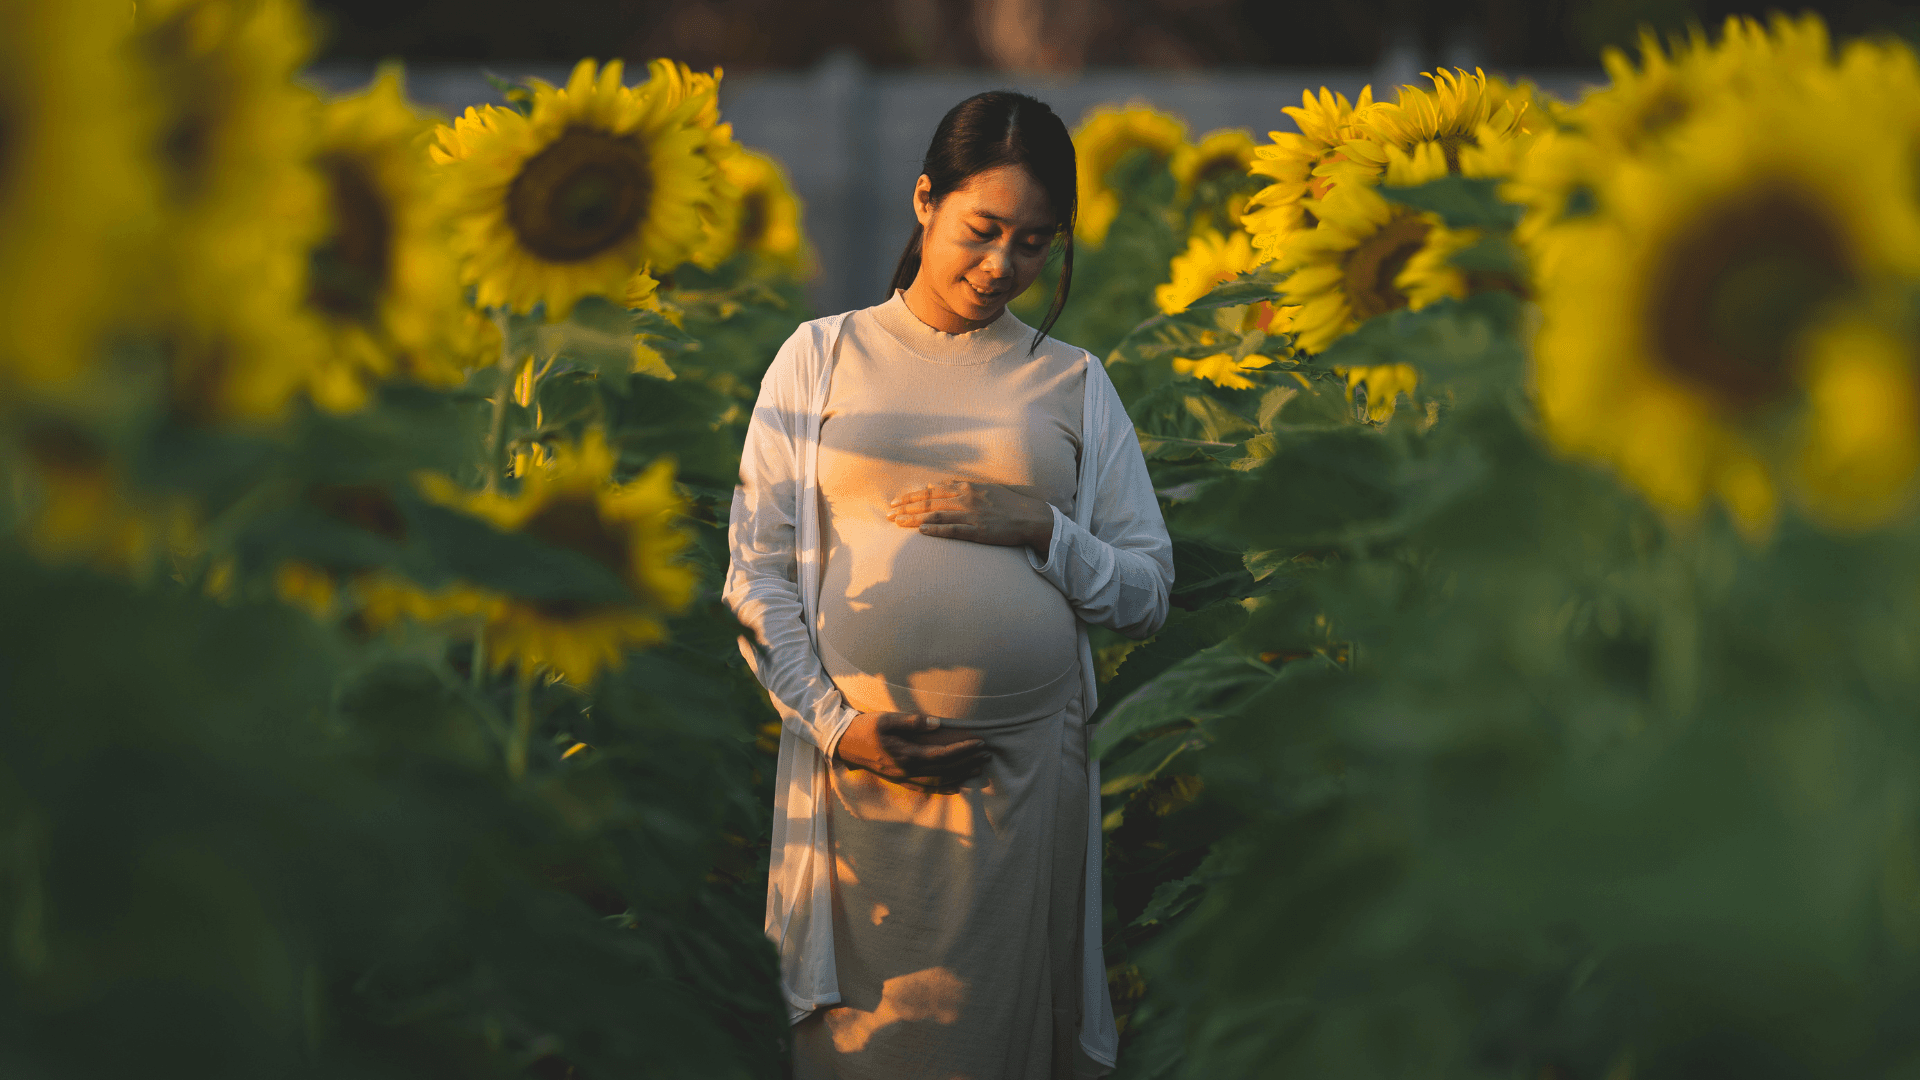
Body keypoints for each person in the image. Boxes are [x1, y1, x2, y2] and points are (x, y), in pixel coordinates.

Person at [724, 89, 1173, 1080]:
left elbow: (1145, 592)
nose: (1002, 265)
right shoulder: (819, 358)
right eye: (983, 229)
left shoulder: (1074, 383)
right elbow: (756, 578)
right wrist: (841, 726)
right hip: (852, 791)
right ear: (925, 200)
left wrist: (1041, 530)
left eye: (1033, 243)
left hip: (1016, 798)